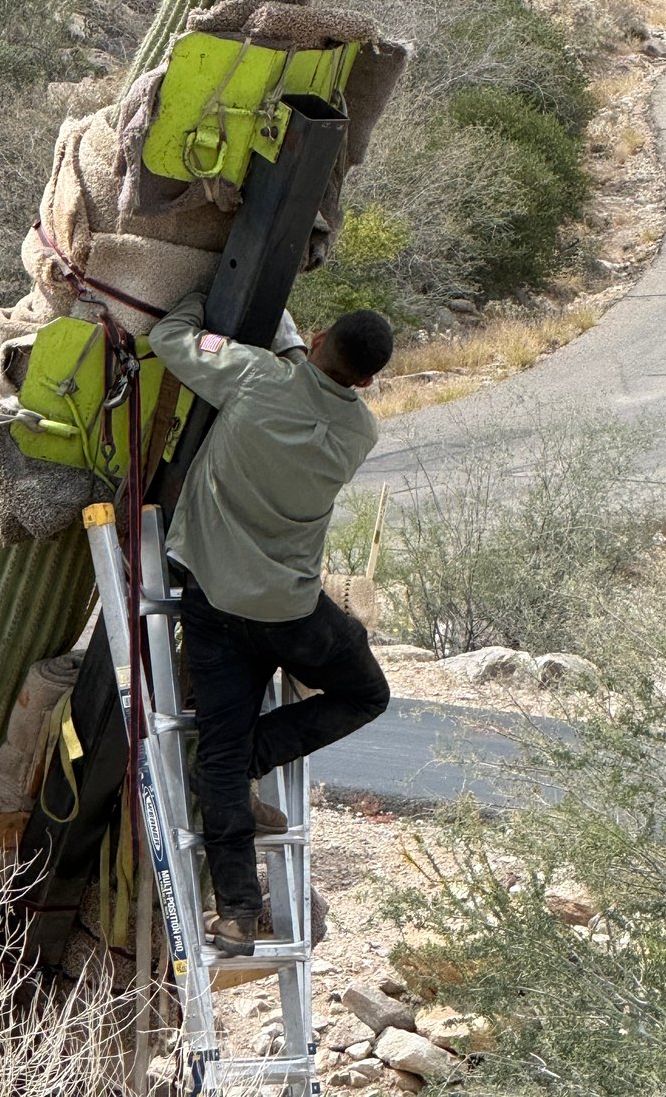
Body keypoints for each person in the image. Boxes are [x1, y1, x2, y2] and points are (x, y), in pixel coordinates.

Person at [148, 293, 394, 957]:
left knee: (219, 762)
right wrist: (300, 358)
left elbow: (174, 335)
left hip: (216, 605)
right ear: (368, 380)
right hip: (289, 612)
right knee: (366, 692)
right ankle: (256, 761)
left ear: (317, 339)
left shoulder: (252, 375)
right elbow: (314, 394)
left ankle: (235, 912)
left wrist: (210, 291)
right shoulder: (359, 433)